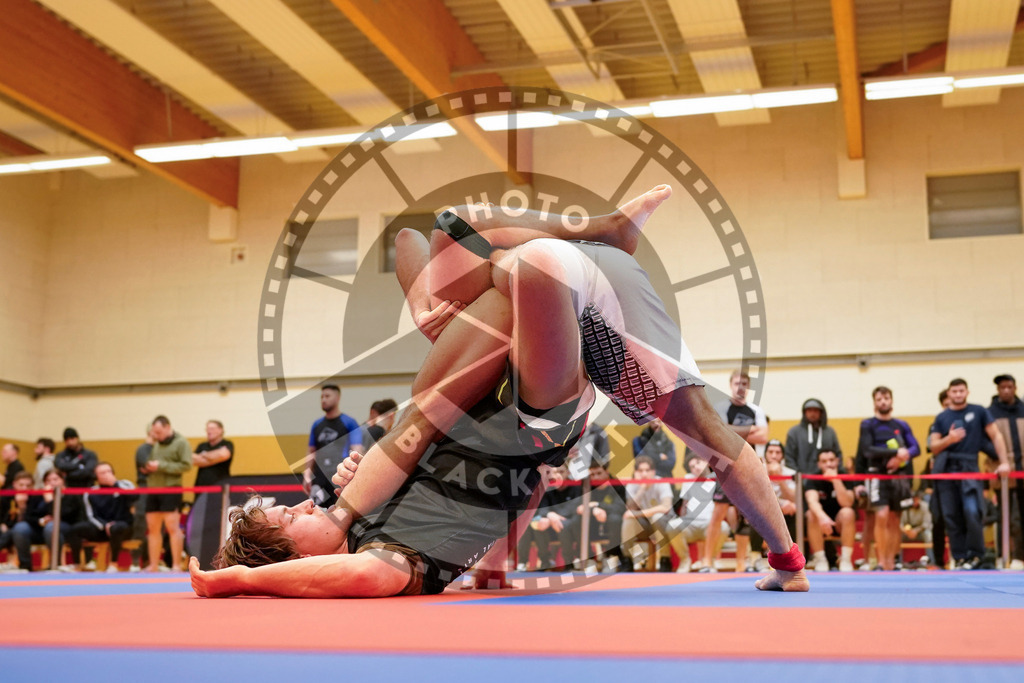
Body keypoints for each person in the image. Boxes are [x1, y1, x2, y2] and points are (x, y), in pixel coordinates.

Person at [191, 187, 808, 596]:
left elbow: (434, 432)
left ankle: (583, 243)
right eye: (293, 518)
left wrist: (493, 565)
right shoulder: (388, 556)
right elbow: (513, 482)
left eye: (293, 506)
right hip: (545, 383)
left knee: (440, 234)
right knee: (528, 267)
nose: (305, 503)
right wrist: (242, 581)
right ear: (297, 562)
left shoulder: (357, 501)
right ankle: (789, 563)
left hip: (515, 364)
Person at [928, 378, 1010, 570]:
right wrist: (950, 438)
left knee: (972, 511)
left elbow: (996, 435)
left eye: (961, 391)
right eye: (954, 391)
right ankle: (959, 557)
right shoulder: (941, 417)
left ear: (967, 392)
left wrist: (1004, 461)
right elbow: (933, 446)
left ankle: (976, 555)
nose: (958, 394)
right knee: (951, 515)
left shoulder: (979, 411)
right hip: (947, 470)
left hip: (969, 467)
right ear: (948, 394)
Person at [706, 370, 769, 572]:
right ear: (731, 385)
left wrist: (731, 430)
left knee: (749, 515)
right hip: (727, 466)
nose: (740, 387)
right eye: (736, 383)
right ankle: (707, 561)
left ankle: (742, 563)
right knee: (718, 513)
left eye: (744, 383)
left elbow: (763, 437)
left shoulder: (756, 410)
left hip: (750, 466)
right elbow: (720, 434)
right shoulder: (722, 408)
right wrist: (750, 430)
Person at [854, 386, 921, 571]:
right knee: (881, 515)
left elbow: (916, 448)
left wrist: (901, 456)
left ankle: (892, 561)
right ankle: (881, 561)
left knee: (894, 519)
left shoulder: (902, 425)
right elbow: (866, 451)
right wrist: (894, 452)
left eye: (886, 398)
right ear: (874, 402)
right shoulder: (868, 425)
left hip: (899, 477)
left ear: (891, 400)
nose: (883, 402)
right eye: (879, 399)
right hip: (877, 475)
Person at [621, 455, 688, 571]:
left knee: (657, 517)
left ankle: (665, 559)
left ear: (653, 471)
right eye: (640, 471)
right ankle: (627, 560)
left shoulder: (661, 482)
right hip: (645, 526)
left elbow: (665, 507)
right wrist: (642, 489)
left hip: (664, 524)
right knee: (629, 520)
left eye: (647, 470)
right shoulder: (632, 485)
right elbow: (629, 509)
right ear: (635, 472)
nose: (644, 474)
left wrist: (638, 514)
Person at [143, 415, 192, 572]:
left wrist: (161, 466)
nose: (156, 435)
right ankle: (154, 565)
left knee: (172, 527)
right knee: (153, 528)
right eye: (154, 432)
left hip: (171, 489)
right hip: (153, 488)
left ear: (167, 427)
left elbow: (186, 465)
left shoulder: (181, 442)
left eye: (158, 432)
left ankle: (176, 565)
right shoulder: (154, 444)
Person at [69, 463, 137, 572]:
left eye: (109, 471)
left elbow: (134, 496)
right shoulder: (90, 492)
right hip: (101, 528)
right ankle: (77, 564)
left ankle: (113, 564)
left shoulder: (125, 484)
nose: (106, 475)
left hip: (123, 527)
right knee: (76, 529)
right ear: (96, 476)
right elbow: (91, 515)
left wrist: (115, 484)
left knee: (117, 528)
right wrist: (104, 525)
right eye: (102, 473)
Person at [988, 374, 1024, 570]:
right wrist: (1000, 458)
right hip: (1002, 472)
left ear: (1015, 388)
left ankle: (1021, 556)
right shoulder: (990, 412)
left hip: (1022, 471)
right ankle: (1003, 557)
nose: (1006, 391)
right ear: (998, 390)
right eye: (1002, 388)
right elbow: (985, 441)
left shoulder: (1023, 409)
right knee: (1005, 516)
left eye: (1009, 387)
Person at [307, 384, 363, 507]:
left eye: (327, 396)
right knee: (316, 512)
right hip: (319, 477)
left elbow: (357, 449)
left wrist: (355, 474)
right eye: (322, 397)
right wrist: (307, 474)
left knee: (339, 513)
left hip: (339, 476)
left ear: (337, 398)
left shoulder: (349, 422)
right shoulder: (317, 424)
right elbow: (311, 451)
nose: (323, 400)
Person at [805, 449, 856, 572]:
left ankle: (845, 559)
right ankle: (820, 559)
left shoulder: (846, 476)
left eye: (832, 460)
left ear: (838, 461)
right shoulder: (813, 478)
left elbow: (847, 502)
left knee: (848, 512)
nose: (828, 464)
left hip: (839, 523)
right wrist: (823, 517)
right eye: (824, 461)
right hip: (820, 524)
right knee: (811, 514)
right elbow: (812, 501)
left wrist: (836, 480)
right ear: (819, 464)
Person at [785, 399, 842, 475]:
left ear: (821, 413)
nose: (812, 413)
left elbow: (837, 455)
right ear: (804, 412)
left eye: (815, 411)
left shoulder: (829, 432)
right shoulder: (794, 432)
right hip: (801, 478)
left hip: (826, 478)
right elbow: (789, 457)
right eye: (809, 410)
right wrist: (797, 475)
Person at [0, 471, 35, 571]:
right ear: (14, 484)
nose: (24, 488)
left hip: (29, 531)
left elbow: (34, 521)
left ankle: (25, 565)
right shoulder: (6, 496)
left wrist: (22, 508)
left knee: (20, 529)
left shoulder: (36, 497)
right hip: (7, 529)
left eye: (28, 485)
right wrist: (3, 523)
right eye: (21, 485)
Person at [193, 420, 234, 487]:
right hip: (201, 485)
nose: (209, 432)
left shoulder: (227, 444)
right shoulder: (202, 445)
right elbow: (194, 460)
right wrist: (214, 457)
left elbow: (222, 455)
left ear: (220, 430)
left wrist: (203, 454)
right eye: (207, 429)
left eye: (212, 429)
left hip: (220, 485)